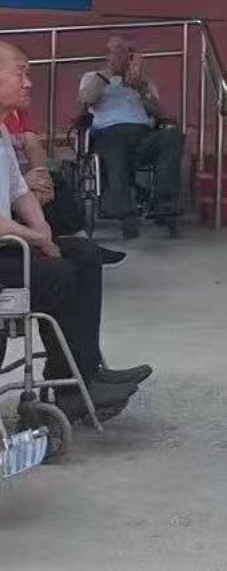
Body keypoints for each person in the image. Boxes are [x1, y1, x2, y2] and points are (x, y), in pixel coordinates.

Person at [0, 41, 151, 423]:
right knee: (60, 274)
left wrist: (43, 229)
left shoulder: (2, 129)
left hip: (9, 243)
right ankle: (69, 386)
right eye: (20, 73)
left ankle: (84, 376)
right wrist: (38, 240)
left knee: (83, 254)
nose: (29, 82)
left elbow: (18, 191)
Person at [78, 35, 185, 239]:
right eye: (117, 51)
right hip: (108, 133)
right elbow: (86, 99)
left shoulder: (143, 82)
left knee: (173, 136)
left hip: (142, 134)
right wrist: (109, 73)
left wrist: (141, 89)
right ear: (106, 55)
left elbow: (160, 113)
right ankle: (124, 212)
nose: (122, 56)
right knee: (116, 145)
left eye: (127, 52)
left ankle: (164, 203)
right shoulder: (92, 77)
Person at [2, 108, 126, 266]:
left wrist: (41, 179)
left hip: (20, 176)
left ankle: (80, 245)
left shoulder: (17, 113)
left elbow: (32, 143)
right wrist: (24, 181)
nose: (27, 91)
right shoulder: (5, 121)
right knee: (48, 192)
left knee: (54, 183)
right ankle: (76, 247)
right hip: (11, 185)